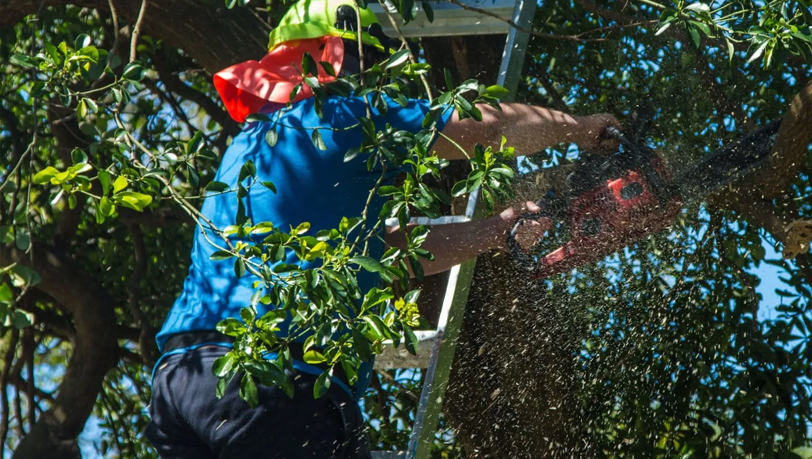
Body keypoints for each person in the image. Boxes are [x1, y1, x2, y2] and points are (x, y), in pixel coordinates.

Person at [143, 1, 619, 458]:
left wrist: (496, 231)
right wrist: (577, 126)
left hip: (181, 379)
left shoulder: (249, 146)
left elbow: (387, 251)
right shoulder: (342, 117)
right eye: (364, 57)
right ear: (334, 52)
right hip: (273, 380)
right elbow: (483, 129)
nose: (368, 74)